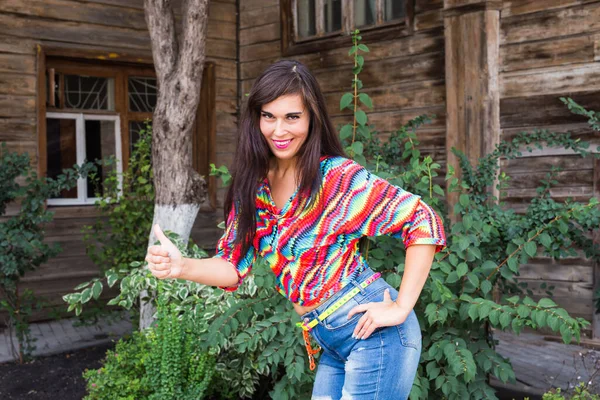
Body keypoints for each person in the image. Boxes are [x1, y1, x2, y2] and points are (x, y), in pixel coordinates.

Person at [145, 60, 446, 400]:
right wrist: (182, 266)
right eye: (269, 116)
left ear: (311, 118)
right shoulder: (253, 187)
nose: (279, 130)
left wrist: (402, 306)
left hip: (375, 335)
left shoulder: (335, 178)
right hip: (328, 341)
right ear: (255, 119)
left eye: (292, 117)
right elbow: (232, 266)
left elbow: (421, 219)